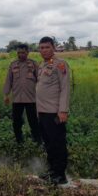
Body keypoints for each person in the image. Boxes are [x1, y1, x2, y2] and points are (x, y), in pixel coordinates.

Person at [36, 37, 70, 185]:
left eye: (47, 47)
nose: (44, 50)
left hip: (54, 112)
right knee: (48, 143)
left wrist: (63, 110)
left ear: (53, 48)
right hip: (42, 112)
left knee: (57, 143)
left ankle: (60, 174)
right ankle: (52, 170)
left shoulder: (60, 64)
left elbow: (65, 88)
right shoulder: (42, 65)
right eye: (41, 47)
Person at [3, 44, 41, 144]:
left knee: (33, 121)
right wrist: (6, 95)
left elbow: (40, 80)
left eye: (23, 52)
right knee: (16, 122)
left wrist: (41, 96)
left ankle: (37, 140)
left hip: (31, 99)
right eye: (19, 53)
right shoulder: (13, 64)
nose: (21, 55)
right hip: (17, 99)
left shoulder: (33, 64)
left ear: (27, 52)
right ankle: (19, 140)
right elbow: (9, 80)